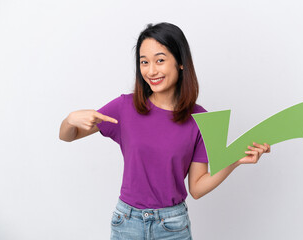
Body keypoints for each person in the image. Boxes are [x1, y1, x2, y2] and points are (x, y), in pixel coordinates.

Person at [59, 22, 271, 240]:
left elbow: (197, 188)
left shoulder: (201, 119)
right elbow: (68, 136)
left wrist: (234, 159)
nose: (151, 71)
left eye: (160, 60)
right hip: (127, 223)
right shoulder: (124, 107)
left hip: (172, 226)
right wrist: (69, 121)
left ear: (180, 63)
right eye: (144, 62)